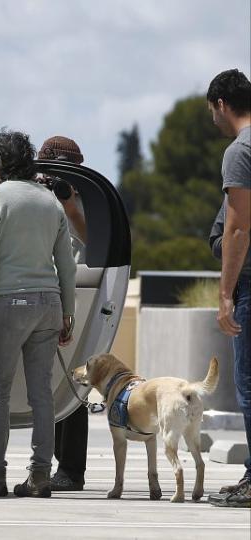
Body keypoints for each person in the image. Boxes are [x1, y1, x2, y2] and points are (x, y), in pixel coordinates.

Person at [0, 129, 77, 498]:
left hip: (9, 304)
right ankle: (40, 475)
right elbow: (67, 265)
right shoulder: (50, 202)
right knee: (42, 393)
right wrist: (68, 313)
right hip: (49, 304)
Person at [204, 68, 251, 509]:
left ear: (221, 104)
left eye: (212, 112)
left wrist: (224, 294)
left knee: (249, 385)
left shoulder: (240, 150)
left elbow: (238, 230)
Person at [36, 136, 90, 492]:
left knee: (72, 384)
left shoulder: (90, 201)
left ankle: (71, 467)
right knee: (45, 382)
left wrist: (70, 205)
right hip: (42, 292)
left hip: (79, 294)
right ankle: (52, 461)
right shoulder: (34, 197)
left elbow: (95, 241)